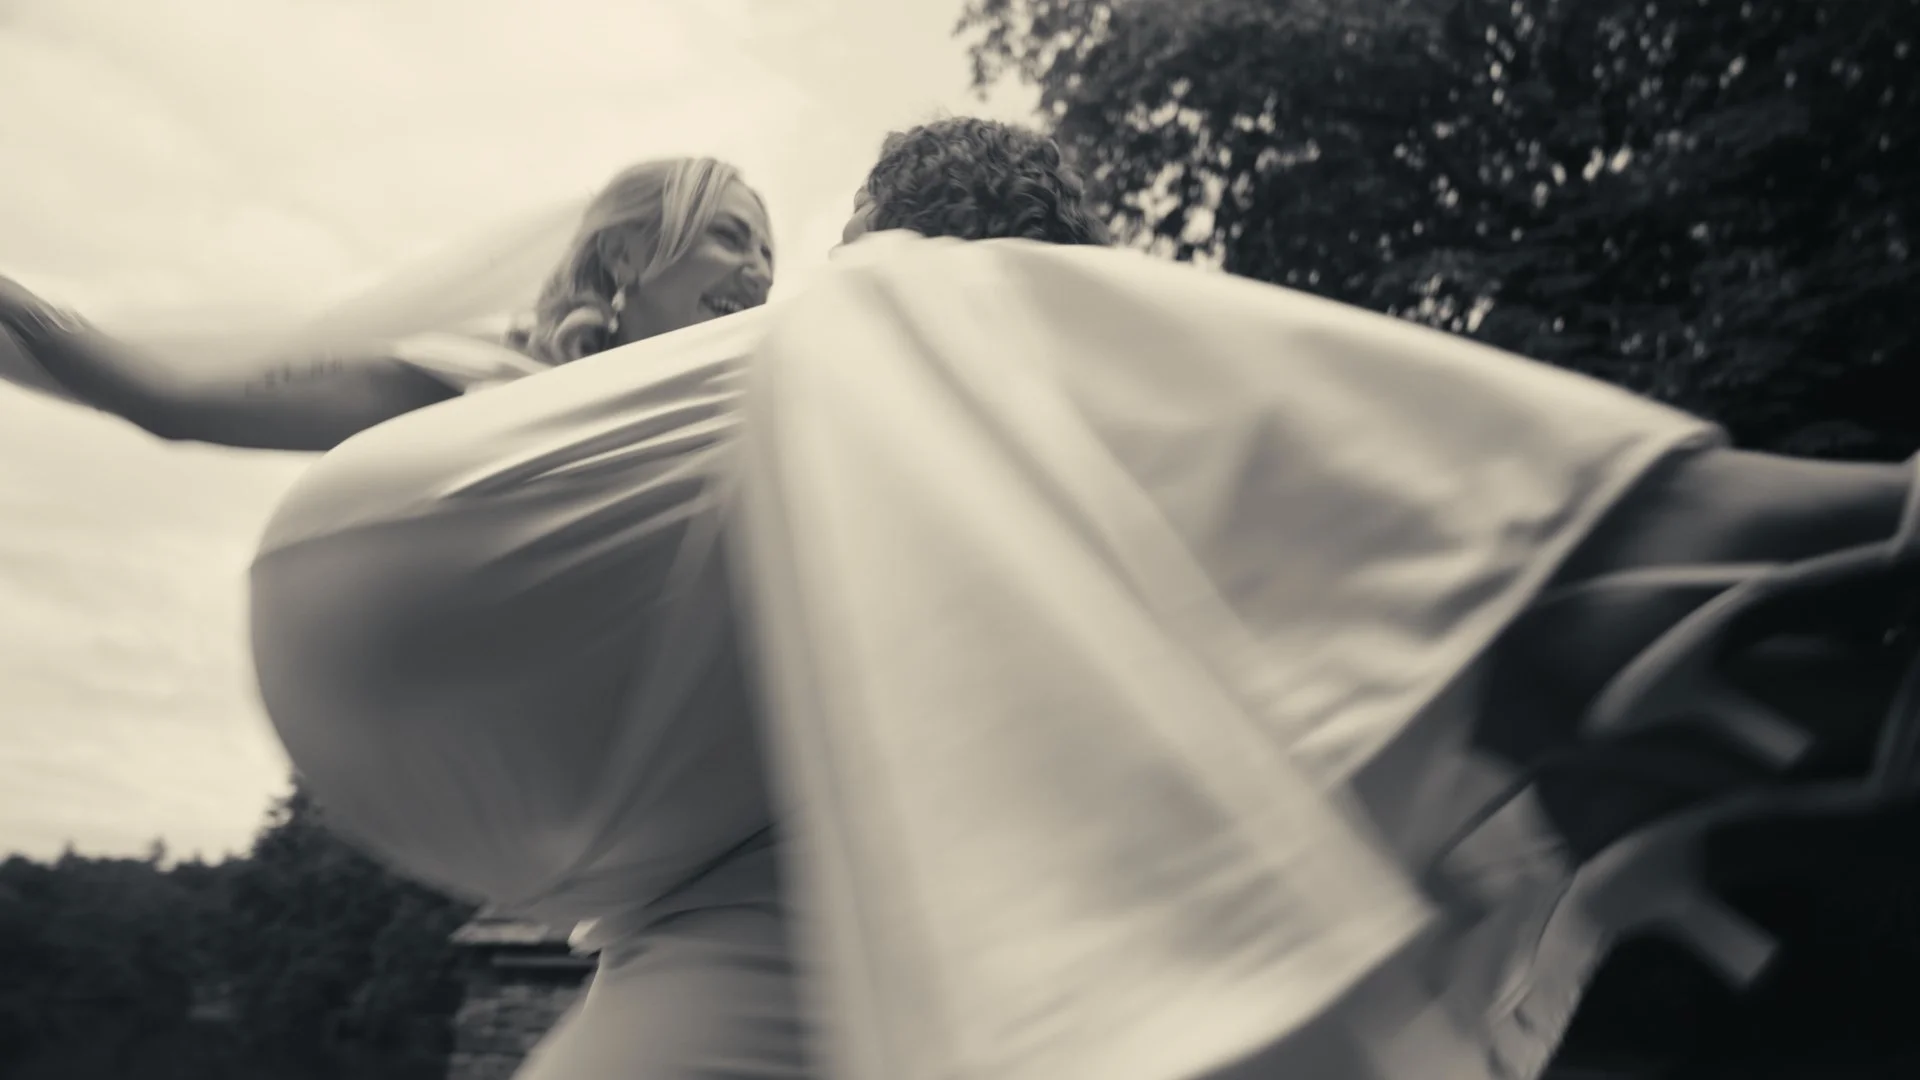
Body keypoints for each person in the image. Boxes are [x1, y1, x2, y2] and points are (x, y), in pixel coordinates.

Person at [0, 155, 775, 449]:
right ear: (625, 255)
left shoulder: (761, 415)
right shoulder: (486, 378)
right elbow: (171, 402)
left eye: (770, 254)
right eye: (731, 239)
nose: (761, 274)